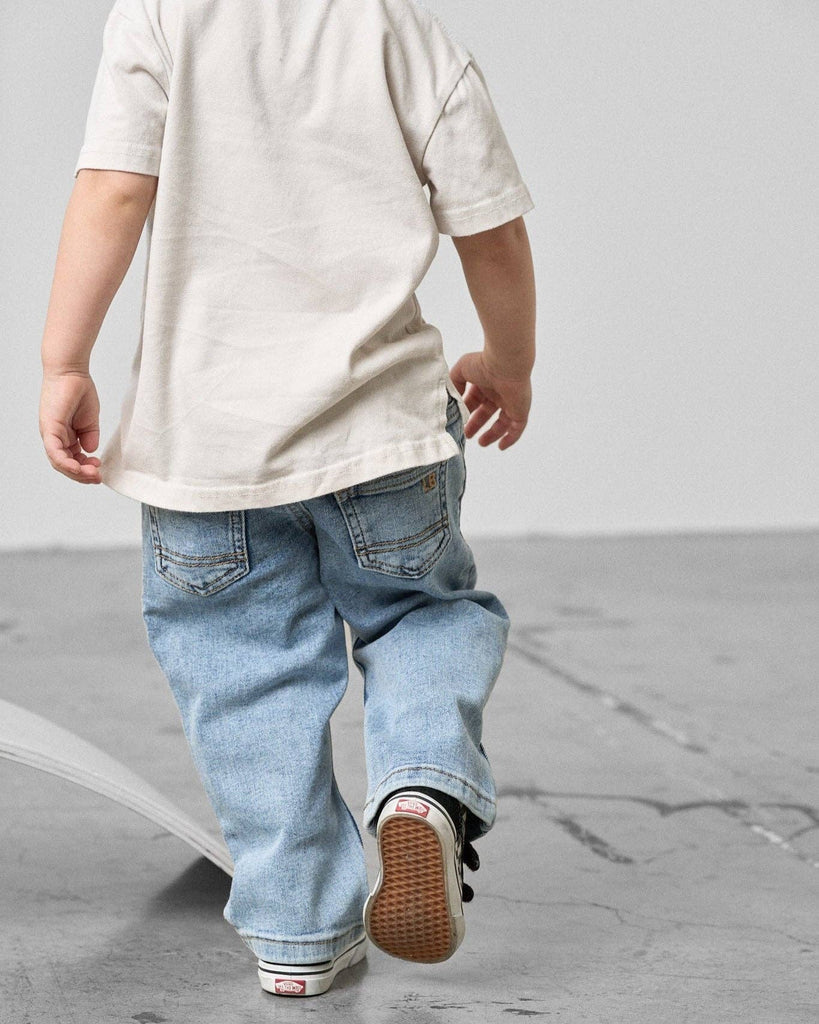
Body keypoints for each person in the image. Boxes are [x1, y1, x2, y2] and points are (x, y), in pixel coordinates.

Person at [39, 0, 536, 998]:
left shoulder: (157, 18)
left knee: (245, 677)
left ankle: (299, 932)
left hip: (205, 443)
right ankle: (422, 787)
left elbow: (114, 189)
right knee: (421, 615)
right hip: (382, 429)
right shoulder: (397, 28)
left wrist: (65, 359)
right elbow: (489, 222)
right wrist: (509, 362)